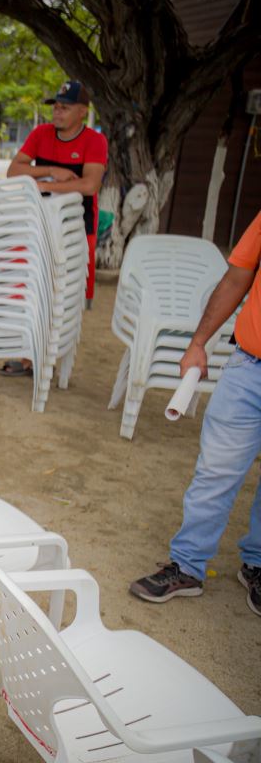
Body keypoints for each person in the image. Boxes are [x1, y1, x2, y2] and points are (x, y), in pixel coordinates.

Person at [129, 209, 261, 618]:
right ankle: (187, 565)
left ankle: (256, 564)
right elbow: (237, 277)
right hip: (250, 365)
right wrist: (198, 342)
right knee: (215, 472)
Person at [4, 80, 108, 376]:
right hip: (37, 225)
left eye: (65, 107)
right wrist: (50, 171)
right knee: (28, 287)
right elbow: (14, 170)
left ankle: (49, 356)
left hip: (77, 229)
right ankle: (28, 354)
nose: (57, 112)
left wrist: (43, 185)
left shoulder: (95, 141)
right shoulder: (41, 134)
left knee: (64, 295)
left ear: (82, 112)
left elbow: (90, 185)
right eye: (56, 106)